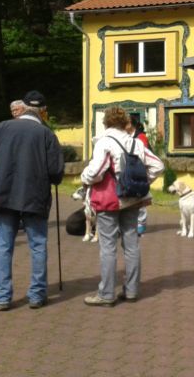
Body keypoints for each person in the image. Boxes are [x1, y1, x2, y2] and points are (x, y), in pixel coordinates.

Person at [0, 91, 65, 311]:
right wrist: (50, 179)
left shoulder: (4, 127)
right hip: (35, 195)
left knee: (4, 246)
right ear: (43, 111)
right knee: (38, 245)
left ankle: (3, 297)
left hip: (5, 194)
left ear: (22, 108)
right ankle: (36, 294)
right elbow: (56, 172)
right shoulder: (46, 133)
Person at [80, 107, 164, 306]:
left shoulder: (104, 142)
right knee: (132, 245)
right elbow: (158, 166)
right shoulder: (135, 142)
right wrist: (142, 182)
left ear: (106, 122)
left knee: (108, 247)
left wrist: (84, 177)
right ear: (125, 122)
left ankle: (106, 294)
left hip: (109, 199)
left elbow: (96, 172)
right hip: (133, 198)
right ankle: (132, 290)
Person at [126, 114, 151, 235]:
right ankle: (132, 222)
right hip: (130, 171)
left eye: (125, 123)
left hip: (139, 170)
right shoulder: (126, 136)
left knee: (139, 197)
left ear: (130, 124)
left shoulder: (141, 136)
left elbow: (143, 155)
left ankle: (141, 223)